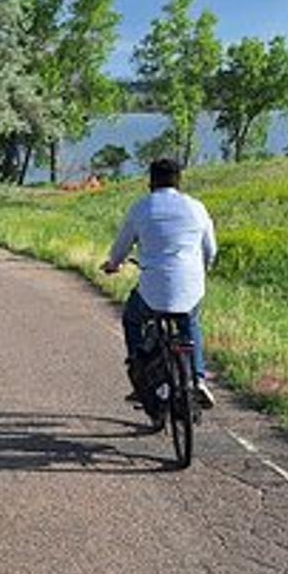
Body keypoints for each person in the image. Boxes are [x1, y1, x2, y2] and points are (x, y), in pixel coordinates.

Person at [101, 156, 217, 409]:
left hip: (152, 289)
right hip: (191, 285)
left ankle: (138, 371)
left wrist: (113, 264)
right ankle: (198, 380)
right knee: (190, 322)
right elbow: (210, 249)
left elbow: (121, 247)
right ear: (179, 181)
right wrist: (203, 268)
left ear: (151, 182)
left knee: (132, 318)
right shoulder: (197, 208)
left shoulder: (142, 208)